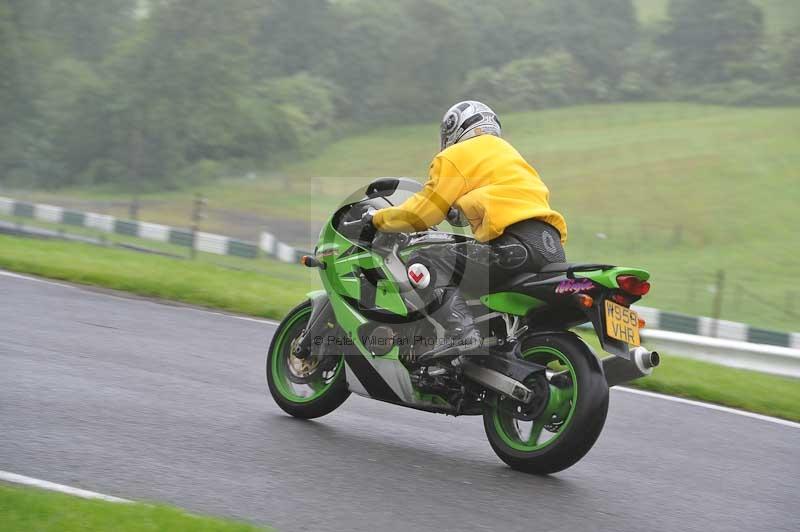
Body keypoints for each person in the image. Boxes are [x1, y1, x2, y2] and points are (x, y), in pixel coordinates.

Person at [367, 100, 568, 359]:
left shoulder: (456, 155)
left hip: (513, 248)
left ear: (453, 129)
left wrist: (378, 219)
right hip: (549, 251)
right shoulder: (509, 157)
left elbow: (423, 212)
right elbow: (491, 200)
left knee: (424, 260)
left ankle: (463, 335)